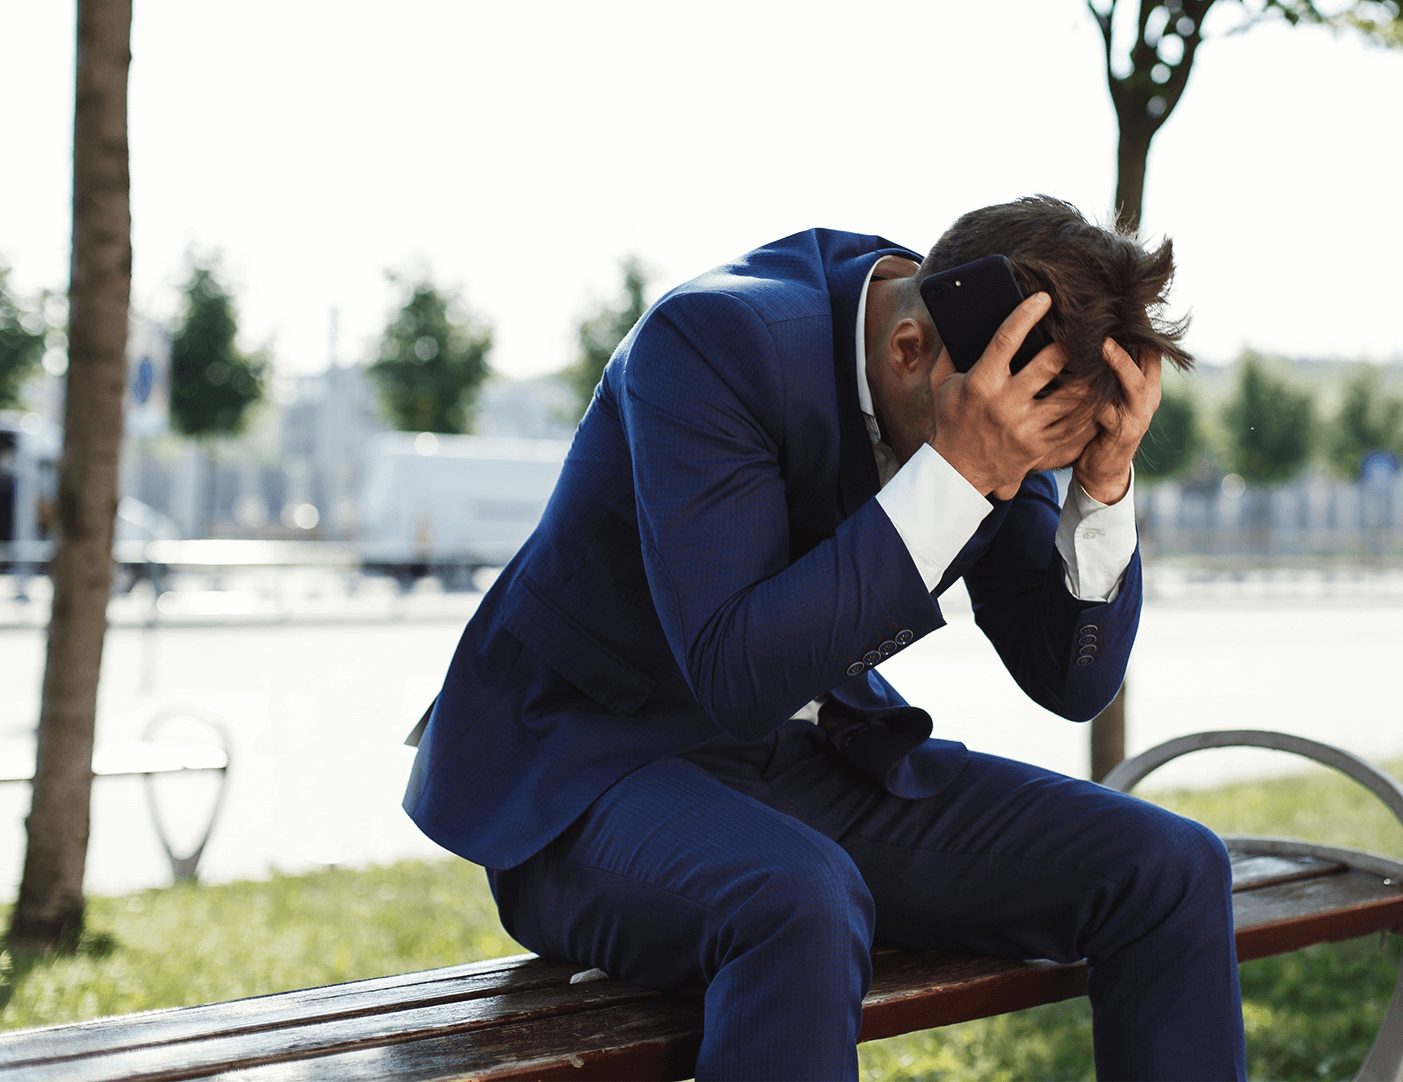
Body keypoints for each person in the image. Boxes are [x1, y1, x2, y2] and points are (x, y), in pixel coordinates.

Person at [403, 196, 1246, 1080]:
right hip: (584, 779)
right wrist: (959, 475)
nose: (1024, 478)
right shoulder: (712, 343)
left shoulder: (995, 386)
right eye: (1025, 458)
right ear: (909, 351)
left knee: (1172, 869)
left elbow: (1067, 680)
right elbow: (736, 677)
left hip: (805, 761)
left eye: (1049, 461)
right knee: (798, 898)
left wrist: (1103, 485)